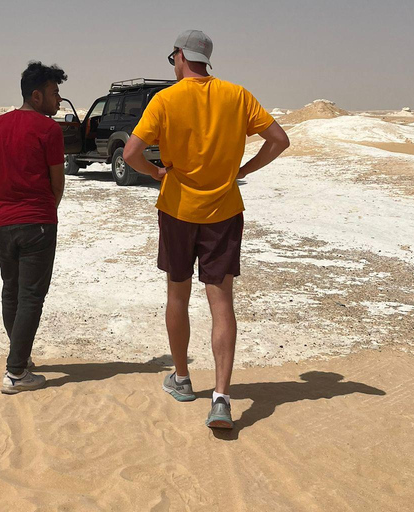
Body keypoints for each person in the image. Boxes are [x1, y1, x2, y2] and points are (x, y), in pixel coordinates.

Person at [123, 30, 290, 428]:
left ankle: (181, 379)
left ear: (180, 56)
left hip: (178, 211)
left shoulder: (166, 99)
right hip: (224, 212)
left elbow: (130, 153)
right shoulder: (238, 96)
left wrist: (157, 173)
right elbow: (279, 140)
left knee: (177, 296)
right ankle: (221, 398)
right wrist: (242, 170)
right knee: (221, 303)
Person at [0, 61, 67, 394]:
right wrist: (44, 212)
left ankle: (21, 357)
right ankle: (16, 372)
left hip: (2, 223)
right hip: (37, 223)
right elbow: (57, 183)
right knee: (31, 297)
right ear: (36, 95)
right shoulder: (49, 130)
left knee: (11, 290)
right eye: (54, 93)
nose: (59, 100)